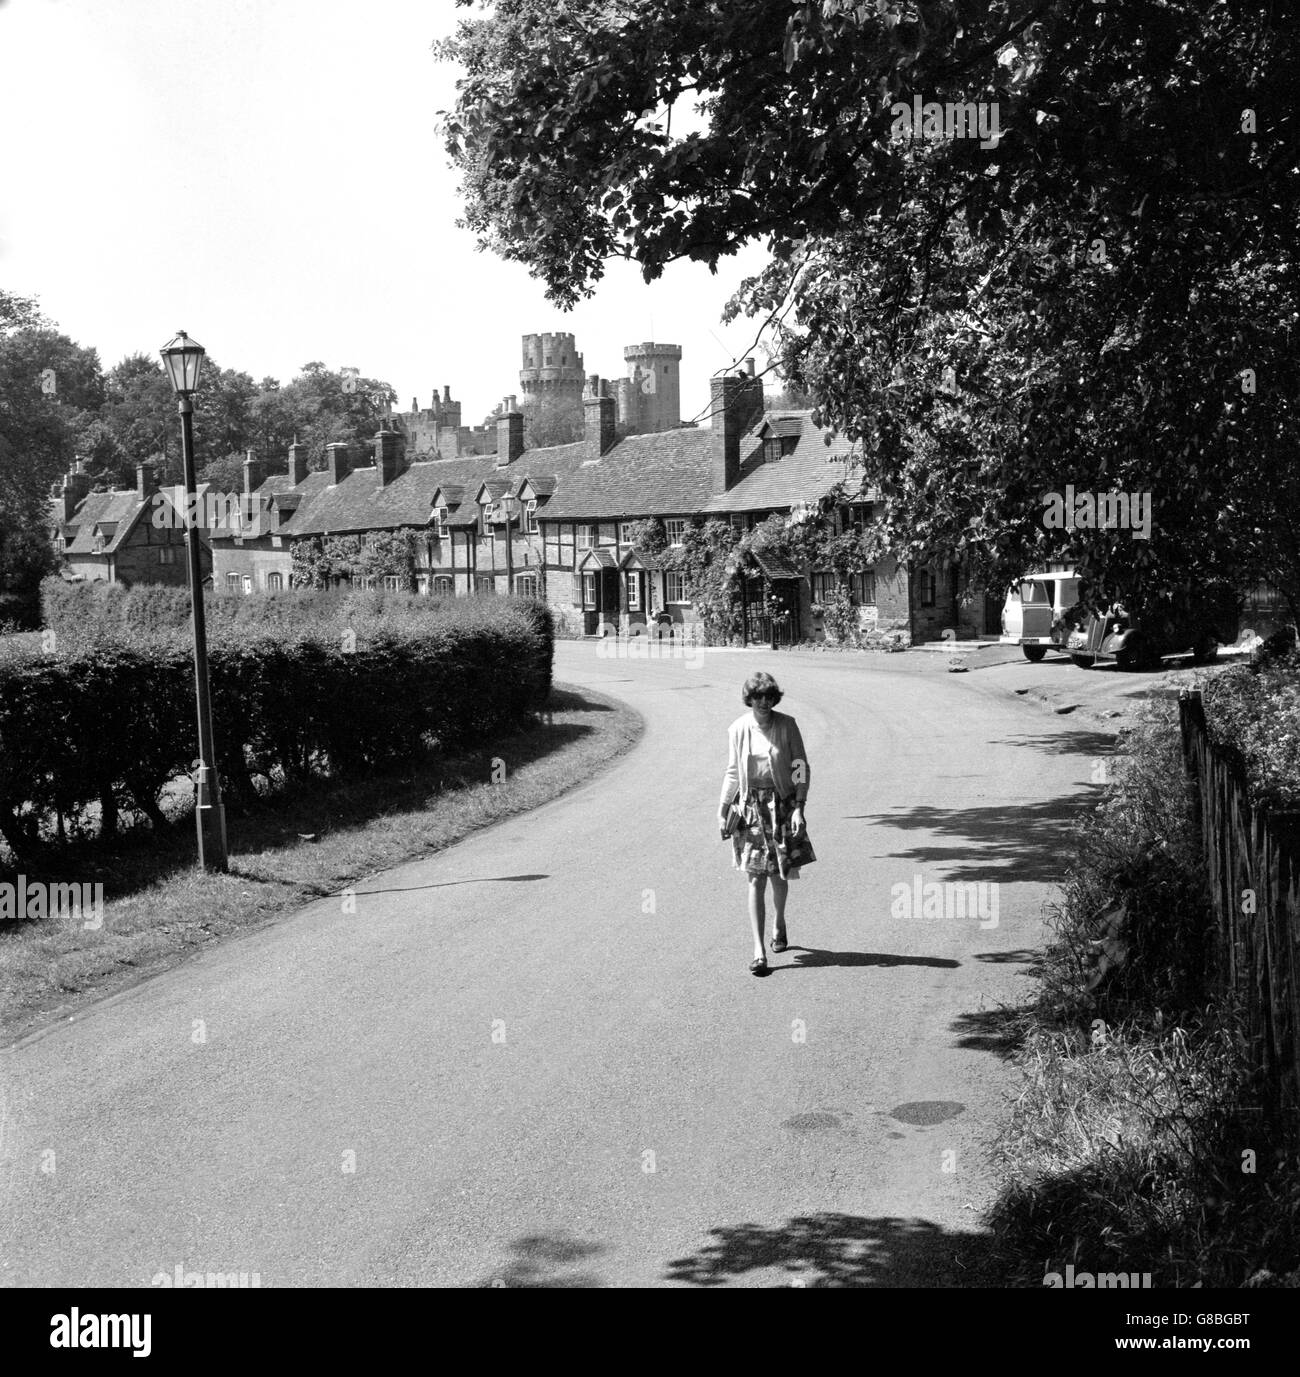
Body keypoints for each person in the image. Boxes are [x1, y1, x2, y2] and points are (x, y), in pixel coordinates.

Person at [718, 671, 811, 975]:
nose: (764, 702)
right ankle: (759, 951)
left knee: (778, 874)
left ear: (775, 698)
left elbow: (799, 766)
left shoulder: (787, 725)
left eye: (769, 697)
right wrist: (723, 809)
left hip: (781, 807)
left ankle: (779, 922)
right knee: (755, 878)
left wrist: (799, 806)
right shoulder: (738, 728)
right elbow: (733, 772)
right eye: (758, 697)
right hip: (750, 811)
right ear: (750, 698)